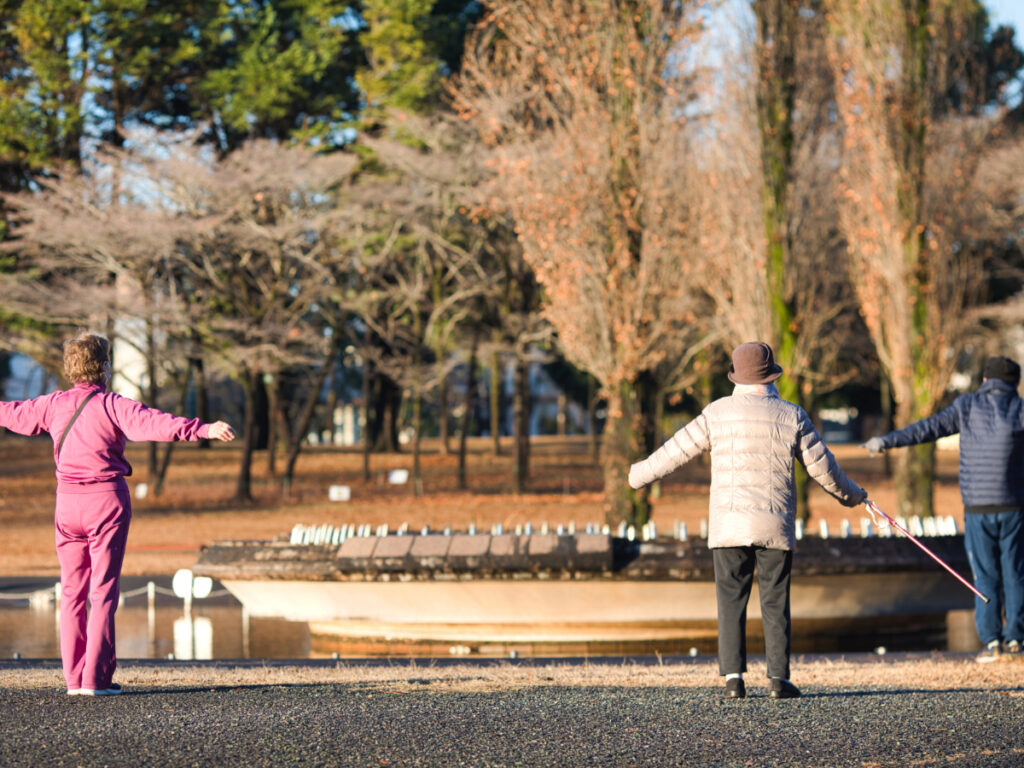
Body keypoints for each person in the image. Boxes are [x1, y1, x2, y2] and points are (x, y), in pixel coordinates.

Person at [628, 341, 868, 700]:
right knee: (775, 599)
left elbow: (675, 450)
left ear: (736, 377)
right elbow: (824, 468)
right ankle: (778, 680)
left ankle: (733, 679)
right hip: (774, 524)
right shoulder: (792, 415)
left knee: (730, 599)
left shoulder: (716, 413)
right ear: (771, 376)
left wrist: (638, 476)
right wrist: (854, 496)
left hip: (729, 525)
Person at [0, 333, 236, 695]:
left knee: (71, 593)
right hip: (106, 502)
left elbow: (11, 414)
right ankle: (96, 679)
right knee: (103, 592)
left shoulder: (52, 405)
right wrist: (203, 428)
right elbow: (157, 423)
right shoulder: (113, 405)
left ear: (69, 369)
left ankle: (74, 680)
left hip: (66, 505)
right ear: (105, 367)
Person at [862, 355, 1024, 663]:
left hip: (977, 506)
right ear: (1014, 383)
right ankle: (1016, 640)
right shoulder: (1020, 409)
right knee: (1015, 572)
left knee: (986, 574)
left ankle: (992, 643)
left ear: (985, 381)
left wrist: (886, 441)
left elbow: (928, 429)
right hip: (1014, 505)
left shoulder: (967, 406)